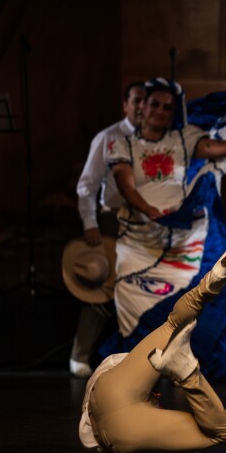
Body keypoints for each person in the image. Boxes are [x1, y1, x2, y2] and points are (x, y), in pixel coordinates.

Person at [100, 77, 226, 379]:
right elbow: (125, 184)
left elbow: (223, 147)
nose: (160, 111)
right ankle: (136, 371)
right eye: (155, 104)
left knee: (197, 295)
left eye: (167, 107)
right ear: (142, 106)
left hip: (180, 237)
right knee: (131, 297)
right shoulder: (122, 143)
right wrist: (148, 210)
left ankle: (176, 362)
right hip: (140, 239)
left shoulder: (183, 138)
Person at [79, 242, 226, 453]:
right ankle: (208, 286)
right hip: (113, 408)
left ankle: (187, 370)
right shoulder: (121, 372)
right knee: (172, 325)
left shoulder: (120, 372)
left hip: (112, 416)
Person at [69, 81, 147, 377]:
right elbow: (87, 185)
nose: (142, 107)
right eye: (137, 100)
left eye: (146, 101)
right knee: (103, 290)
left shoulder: (157, 138)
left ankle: (142, 360)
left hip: (146, 222)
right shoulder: (109, 137)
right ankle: (81, 354)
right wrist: (90, 223)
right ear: (125, 105)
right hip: (113, 219)